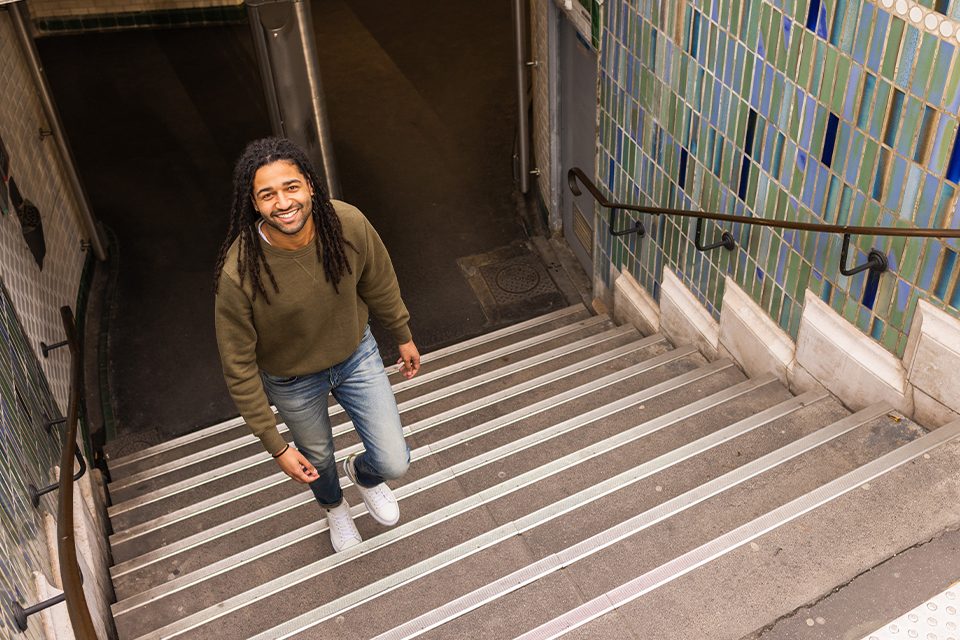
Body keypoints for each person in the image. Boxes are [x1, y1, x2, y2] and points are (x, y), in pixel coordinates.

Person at [214, 137, 420, 552]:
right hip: (292, 380)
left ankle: (363, 475)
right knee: (317, 462)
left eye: (291, 187)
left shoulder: (347, 223)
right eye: (267, 194)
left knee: (394, 459)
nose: (283, 202)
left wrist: (402, 334)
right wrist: (275, 446)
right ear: (254, 204)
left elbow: (378, 281)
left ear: (309, 185)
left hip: (355, 354)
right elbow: (237, 365)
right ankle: (334, 507)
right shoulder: (239, 273)